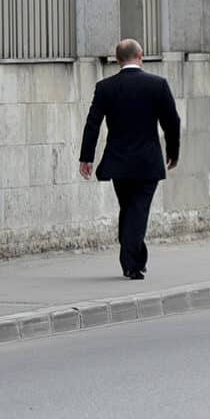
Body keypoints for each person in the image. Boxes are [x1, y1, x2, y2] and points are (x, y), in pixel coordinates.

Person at [78, 39, 181, 280]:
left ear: (117, 59)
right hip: (147, 161)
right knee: (137, 210)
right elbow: (172, 122)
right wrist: (173, 153)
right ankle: (132, 263)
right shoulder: (157, 85)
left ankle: (134, 259)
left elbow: (92, 123)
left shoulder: (106, 87)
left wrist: (86, 157)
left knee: (129, 208)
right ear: (141, 55)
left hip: (119, 162)